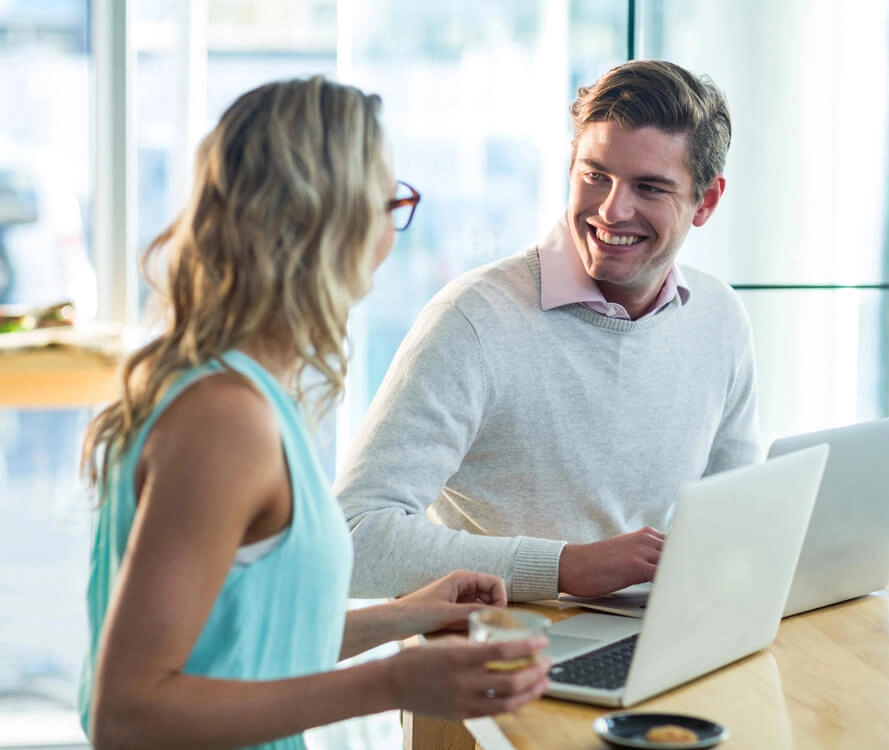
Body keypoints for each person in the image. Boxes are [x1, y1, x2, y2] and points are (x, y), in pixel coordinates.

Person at [77, 76, 550, 750]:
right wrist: (393, 683)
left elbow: (249, 643)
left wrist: (405, 616)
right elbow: (128, 715)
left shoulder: (224, 386)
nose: (392, 232)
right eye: (388, 202)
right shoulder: (226, 420)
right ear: (324, 219)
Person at [335, 59, 761, 604]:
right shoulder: (474, 320)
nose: (612, 209)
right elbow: (353, 537)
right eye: (595, 175)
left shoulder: (719, 319)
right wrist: (561, 567)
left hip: (651, 642)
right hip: (495, 663)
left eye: (649, 187)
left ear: (706, 200)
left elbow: (735, 518)